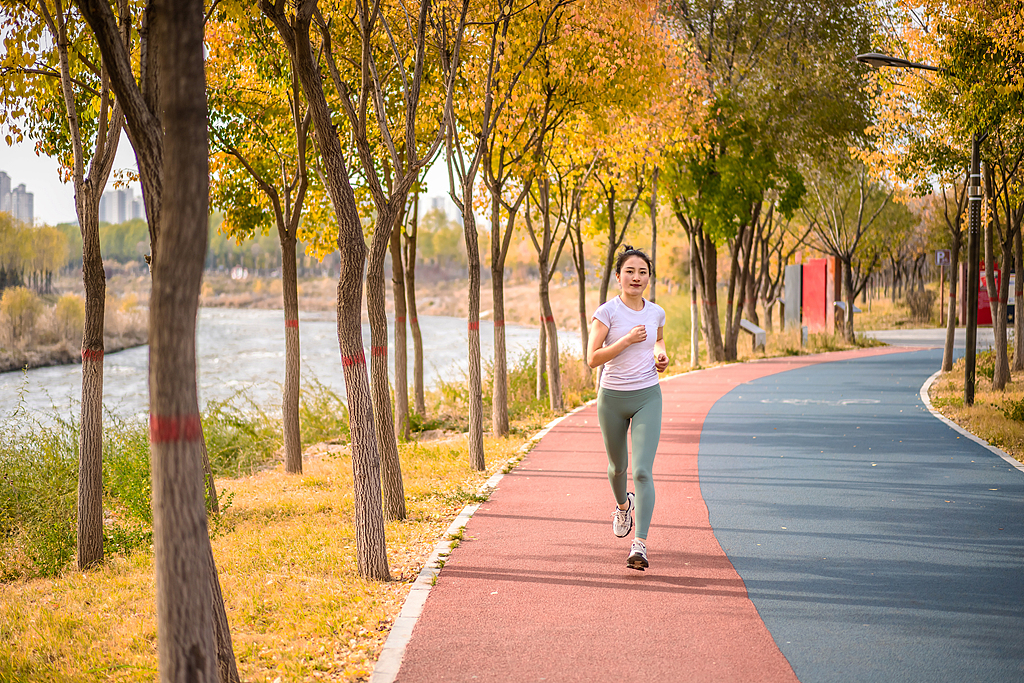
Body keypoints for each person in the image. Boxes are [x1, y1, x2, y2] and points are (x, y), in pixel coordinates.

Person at [587, 246, 668, 571]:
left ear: (649, 277)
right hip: (612, 399)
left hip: (648, 394)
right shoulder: (607, 312)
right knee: (617, 468)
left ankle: (641, 545)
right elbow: (593, 358)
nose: (636, 277)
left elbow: (658, 342)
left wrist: (661, 357)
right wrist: (625, 341)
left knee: (642, 471)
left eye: (643, 272)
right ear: (618, 276)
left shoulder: (656, 312)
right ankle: (623, 506)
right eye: (630, 271)